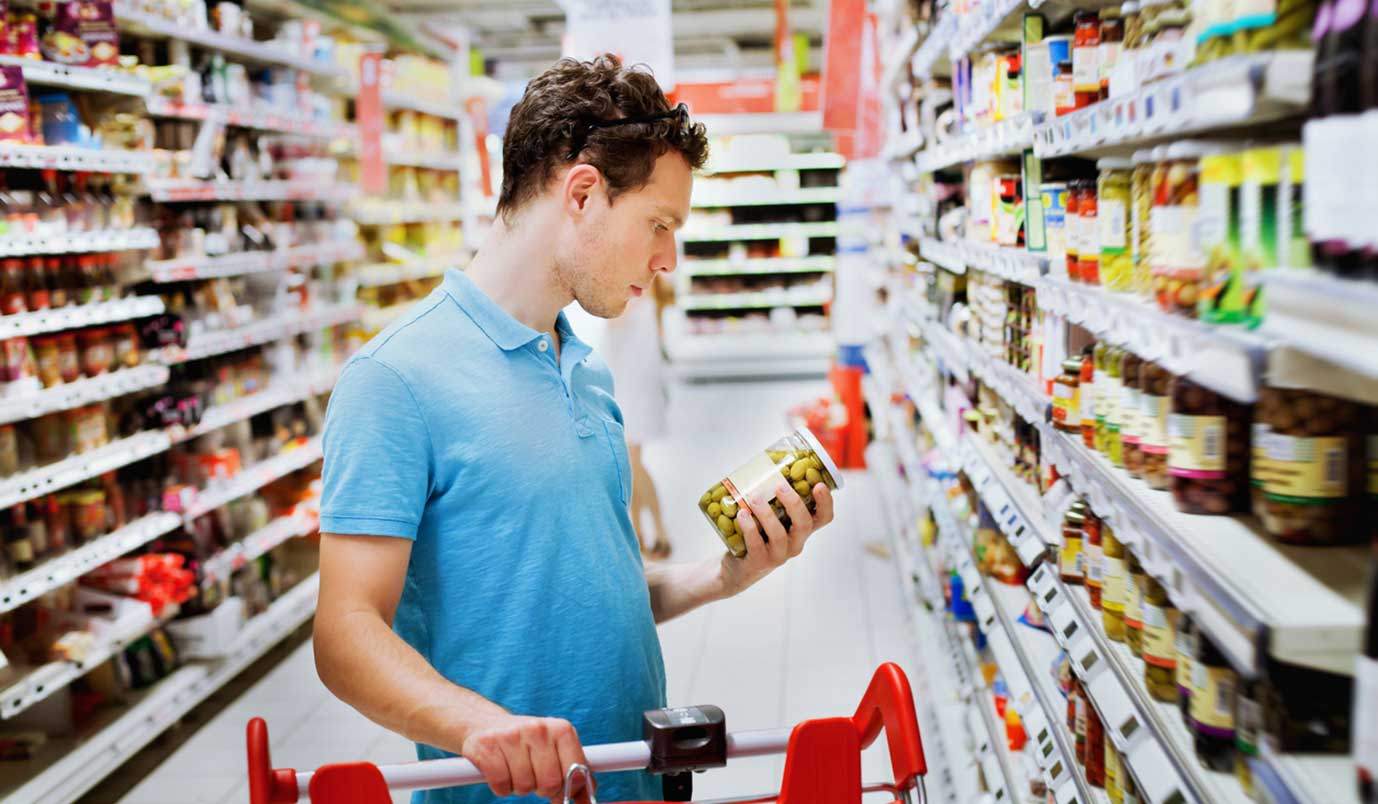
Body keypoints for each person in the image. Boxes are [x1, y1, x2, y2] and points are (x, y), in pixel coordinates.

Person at [312, 54, 837, 804]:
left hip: (634, 782)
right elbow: (343, 633)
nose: (669, 259)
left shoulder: (584, 367)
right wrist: (475, 725)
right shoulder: (395, 379)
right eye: (659, 224)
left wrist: (720, 578)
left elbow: (585, 585)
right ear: (584, 193)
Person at [600, 274, 672, 560]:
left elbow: (613, 319)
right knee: (632, 462)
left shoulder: (633, 297)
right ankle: (639, 533)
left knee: (632, 464)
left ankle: (661, 533)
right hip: (632, 387)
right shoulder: (646, 293)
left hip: (633, 389)